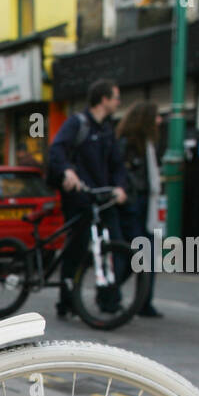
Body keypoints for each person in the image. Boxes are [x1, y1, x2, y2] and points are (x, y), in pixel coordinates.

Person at [46, 79, 128, 319]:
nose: (118, 102)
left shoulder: (107, 130)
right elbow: (57, 150)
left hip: (103, 199)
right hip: (80, 197)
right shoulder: (77, 123)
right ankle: (67, 302)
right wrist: (67, 171)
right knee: (77, 249)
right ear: (103, 99)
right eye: (115, 97)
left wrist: (121, 187)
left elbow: (117, 165)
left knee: (113, 247)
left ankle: (109, 300)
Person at [116, 101, 163, 317]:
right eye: (156, 117)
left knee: (148, 257)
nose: (159, 121)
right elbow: (124, 176)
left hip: (146, 206)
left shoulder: (148, 145)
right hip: (133, 206)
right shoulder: (127, 144)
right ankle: (110, 292)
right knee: (135, 256)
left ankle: (144, 302)